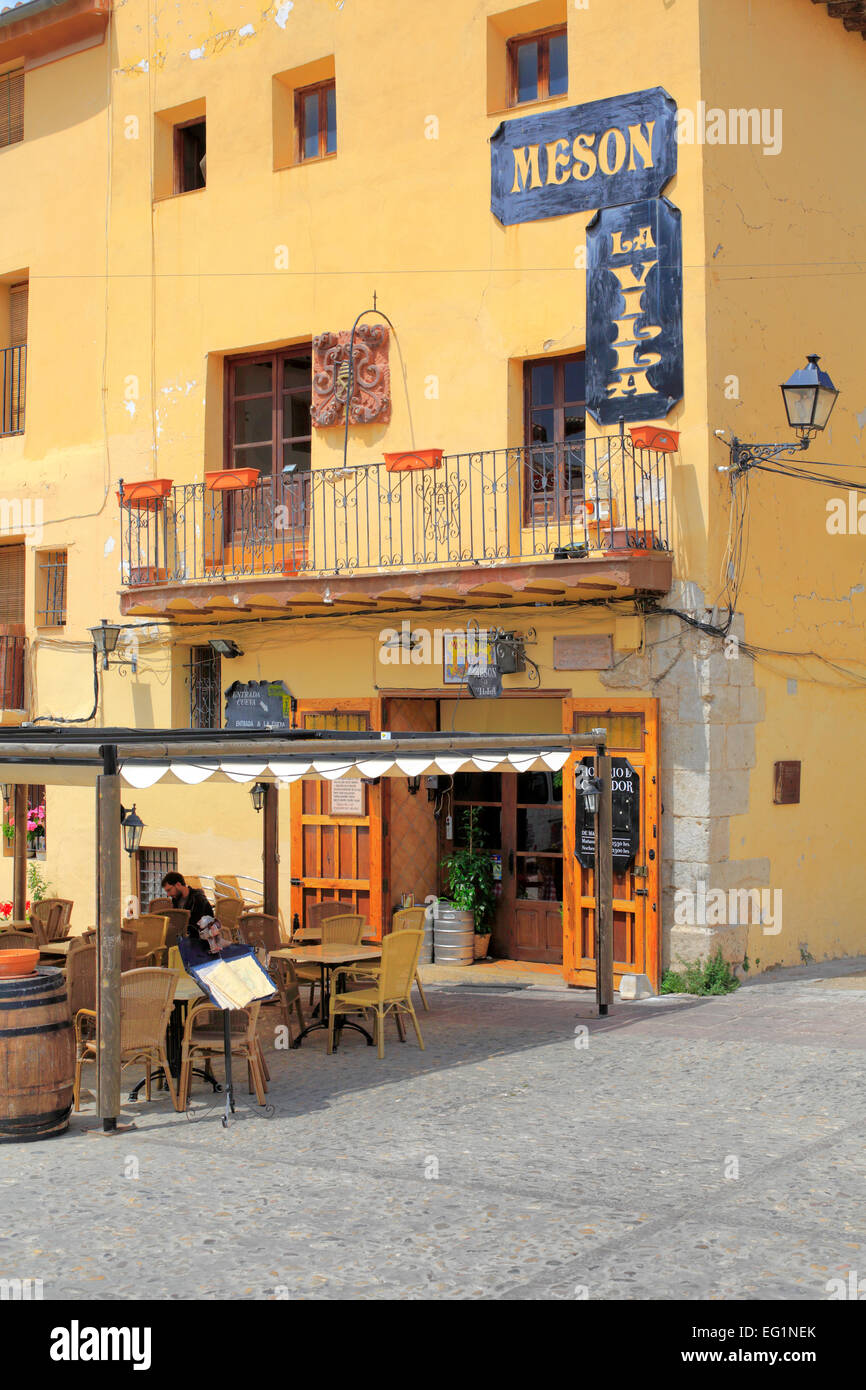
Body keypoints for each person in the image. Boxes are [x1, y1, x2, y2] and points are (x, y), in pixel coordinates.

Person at [161, 871, 215, 948]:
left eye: (169, 890)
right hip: (184, 936)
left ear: (178, 885)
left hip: (201, 940)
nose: (168, 894)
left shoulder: (198, 898)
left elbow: (197, 925)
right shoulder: (176, 899)